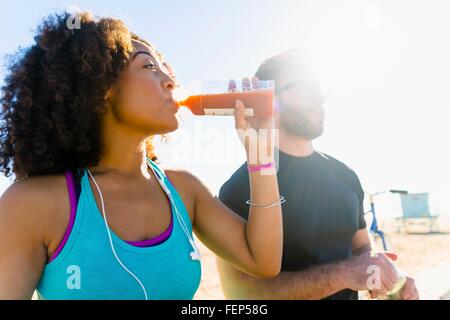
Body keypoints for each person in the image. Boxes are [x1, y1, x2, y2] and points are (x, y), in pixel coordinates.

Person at [0, 11, 283, 300]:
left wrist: (260, 149)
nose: (170, 80)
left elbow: (262, 260)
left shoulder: (184, 190)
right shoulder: (32, 205)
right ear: (101, 87)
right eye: (149, 66)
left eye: (166, 68)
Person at [217, 49, 419, 300]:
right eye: (304, 88)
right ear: (268, 100)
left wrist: (387, 276)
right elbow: (243, 294)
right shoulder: (237, 191)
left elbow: (361, 248)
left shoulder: (346, 176)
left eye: (318, 89)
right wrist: (340, 274)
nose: (319, 98)